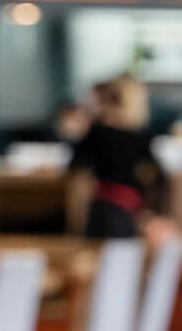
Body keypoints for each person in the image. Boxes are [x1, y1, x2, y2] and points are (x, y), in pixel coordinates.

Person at [69, 74, 166, 239]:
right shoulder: (140, 136)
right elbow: (155, 175)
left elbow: (75, 164)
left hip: (100, 205)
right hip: (127, 208)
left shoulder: (97, 132)